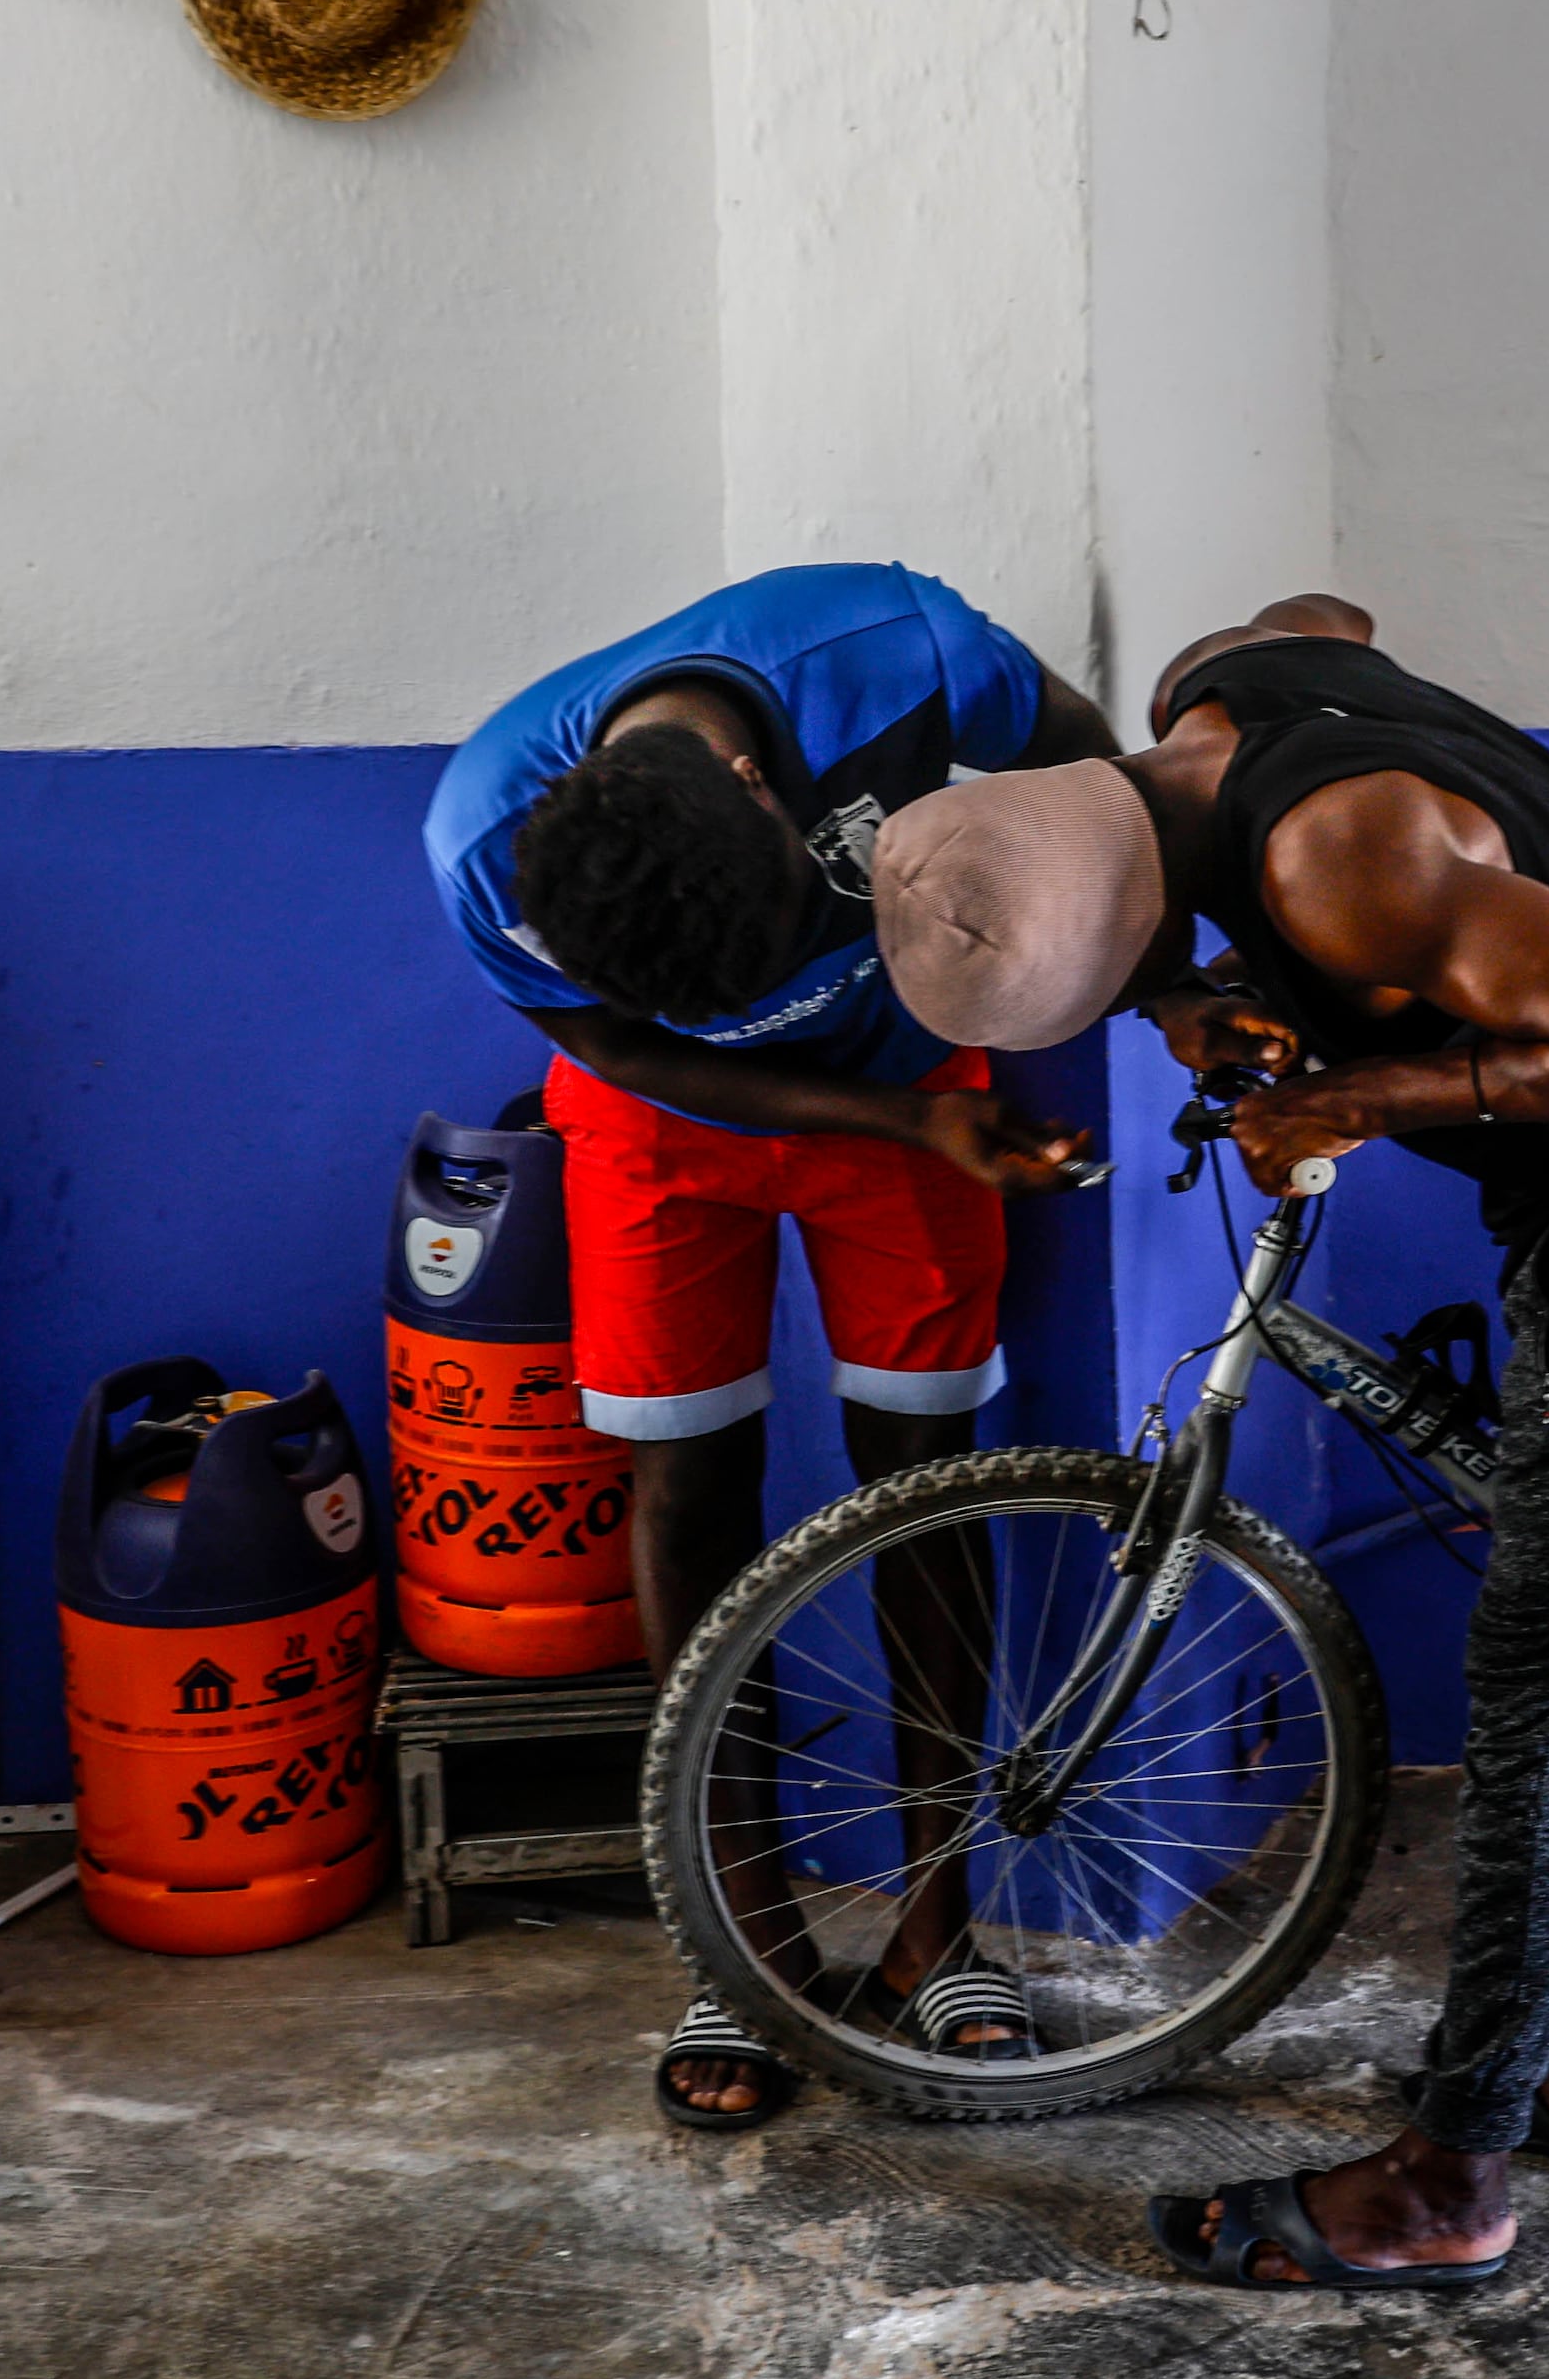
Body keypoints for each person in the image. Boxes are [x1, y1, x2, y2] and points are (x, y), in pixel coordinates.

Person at [867, 595, 1549, 2290]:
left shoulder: (1337, 857)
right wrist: (1246, 1011)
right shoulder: (1220, 694)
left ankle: (1453, 2179)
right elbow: (1331, 618)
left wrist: (1351, 1099)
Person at [425, 562, 1116, 2128]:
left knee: (923, 1486)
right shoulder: (483, 843)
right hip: (668, 1131)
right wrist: (892, 1112)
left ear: (760, 783)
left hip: (920, 1095)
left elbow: (1108, 786)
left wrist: (1125, 981)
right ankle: (737, 1939)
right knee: (687, 1494)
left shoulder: (903, 656)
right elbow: (609, 1041)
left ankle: (939, 1931)